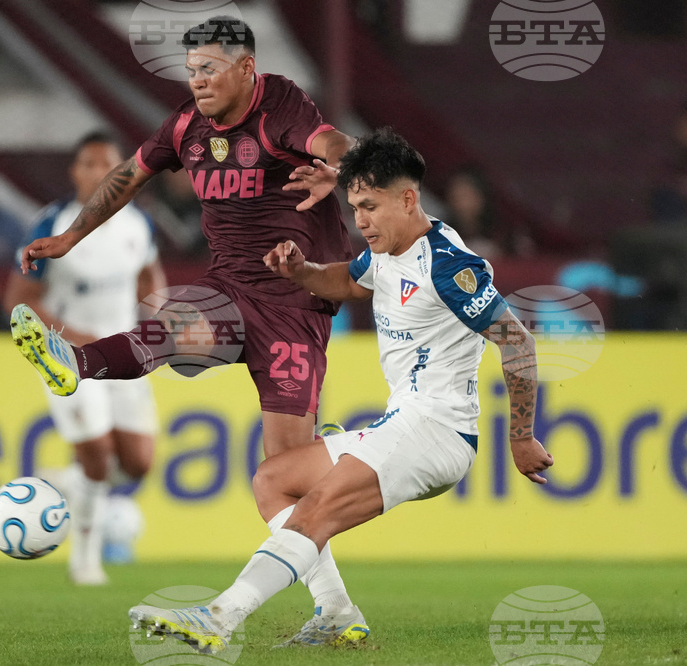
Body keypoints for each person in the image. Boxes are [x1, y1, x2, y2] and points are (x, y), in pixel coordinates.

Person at [127, 129, 555, 653]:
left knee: (318, 508)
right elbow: (352, 282)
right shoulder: (388, 252)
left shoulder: (446, 265)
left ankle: (219, 617)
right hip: (404, 422)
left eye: (371, 207)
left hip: (436, 430)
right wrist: (300, 271)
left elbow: (517, 341)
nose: (362, 221)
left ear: (408, 198)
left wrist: (521, 436)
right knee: (275, 480)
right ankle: (336, 612)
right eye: (354, 208)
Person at [12, 16, 361, 626]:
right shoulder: (186, 126)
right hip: (228, 292)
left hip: (295, 304)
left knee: (283, 478)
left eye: (210, 69)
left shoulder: (281, 106)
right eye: (191, 69)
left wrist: (342, 173)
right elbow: (128, 176)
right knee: (178, 321)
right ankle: (75, 363)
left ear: (246, 69)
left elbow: (334, 143)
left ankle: (335, 610)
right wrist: (68, 235)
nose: (196, 81)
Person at [4, 132, 166, 585]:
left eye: (108, 165)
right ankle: (86, 561)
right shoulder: (52, 224)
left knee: (137, 463)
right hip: (68, 358)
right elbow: (18, 301)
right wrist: (71, 337)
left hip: (125, 355)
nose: (99, 173)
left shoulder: (138, 225)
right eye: (89, 164)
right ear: (75, 172)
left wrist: (158, 321)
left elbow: (150, 278)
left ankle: (66, 483)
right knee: (96, 453)